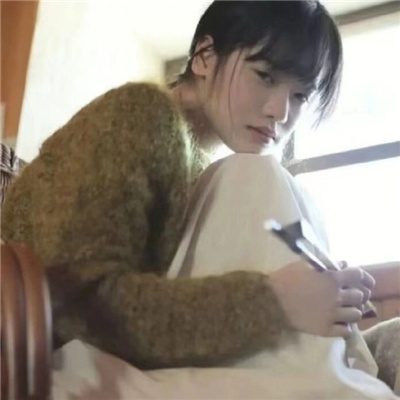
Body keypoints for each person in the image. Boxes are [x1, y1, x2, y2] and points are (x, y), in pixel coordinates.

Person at [1, 0, 376, 373]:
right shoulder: (142, 114)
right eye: (265, 76)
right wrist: (277, 301)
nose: (280, 112)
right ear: (204, 58)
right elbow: (79, 303)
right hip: (41, 358)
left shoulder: (207, 173)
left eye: (300, 96)